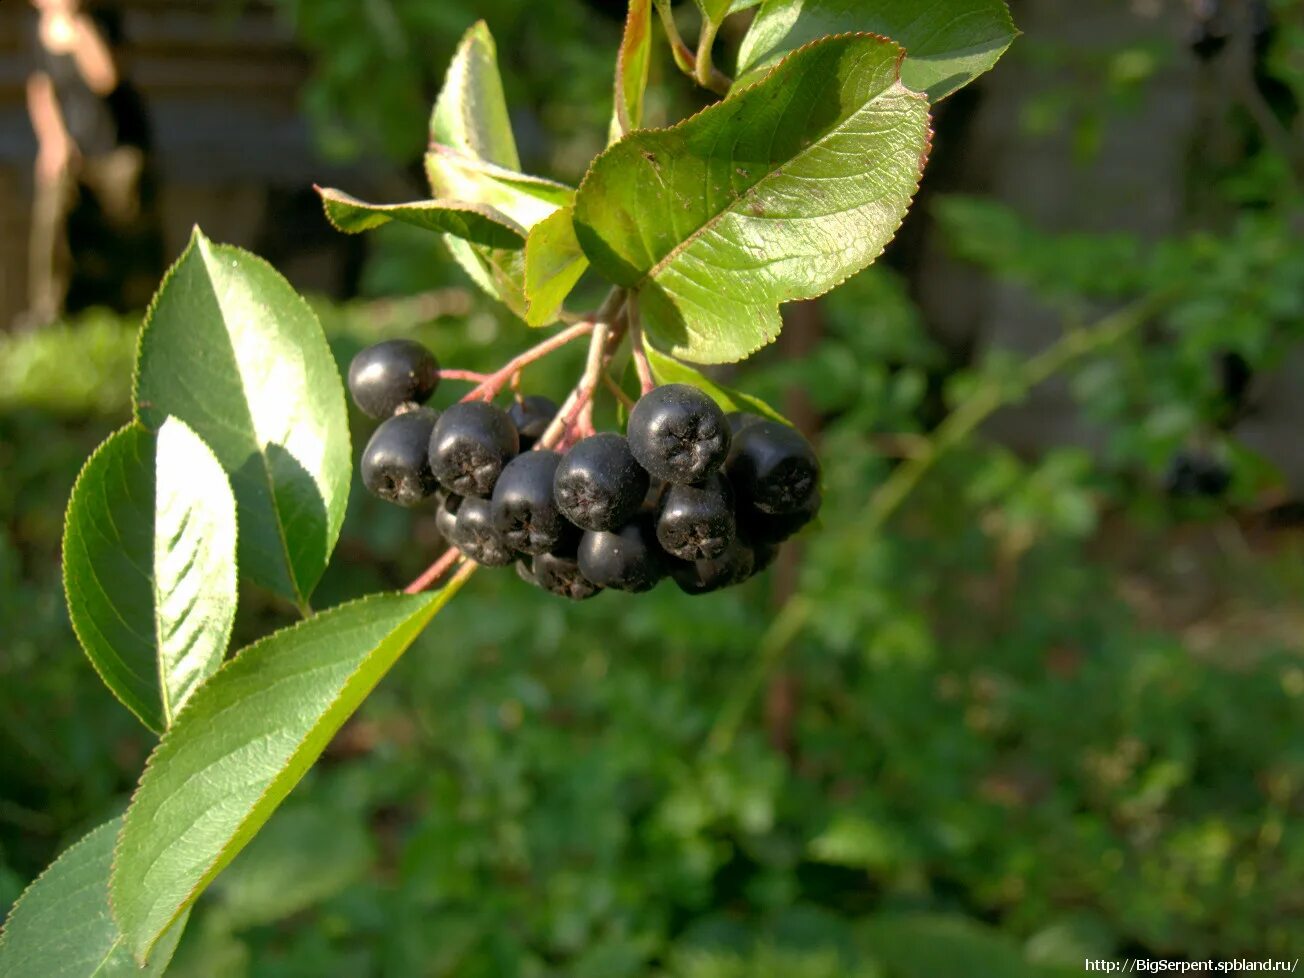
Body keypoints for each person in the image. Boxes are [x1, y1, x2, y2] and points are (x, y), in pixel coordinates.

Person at [22, 0, 155, 327]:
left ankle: (137, 310)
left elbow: (104, 77)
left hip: (116, 146)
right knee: (53, 213)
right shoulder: (35, 32)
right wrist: (54, 140)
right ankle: (48, 310)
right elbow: (41, 90)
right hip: (77, 151)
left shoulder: (103, 20)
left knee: (127, 227)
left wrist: (79, 29)